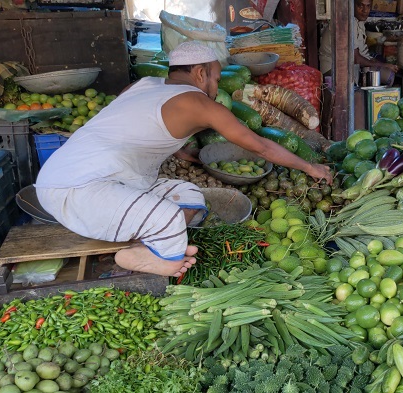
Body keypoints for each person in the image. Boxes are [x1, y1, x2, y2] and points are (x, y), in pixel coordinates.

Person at [35, 41, 333, 278]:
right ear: (200, 73)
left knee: (192, 196)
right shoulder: (198, 102)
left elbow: (131, 125)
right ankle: (152, 258)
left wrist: (178, 150)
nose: (216, 88)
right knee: (167, 218)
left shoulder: (142, 85)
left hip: (101, 182)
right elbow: (260, 147)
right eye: (216, 79)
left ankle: (155, 244)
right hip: (76, 191)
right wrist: (309, 166)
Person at [318, 0, 399, 85]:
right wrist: (383, 65)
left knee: (389, 74)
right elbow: (356, 58)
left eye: (368, 6)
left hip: (349, 67)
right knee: (386, 77)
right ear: (352, 6)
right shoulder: (346, 21)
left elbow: (363, 54)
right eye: (360, 6)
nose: (365, 10)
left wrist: (383, 64)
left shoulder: (359, 23)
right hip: (332, 69)